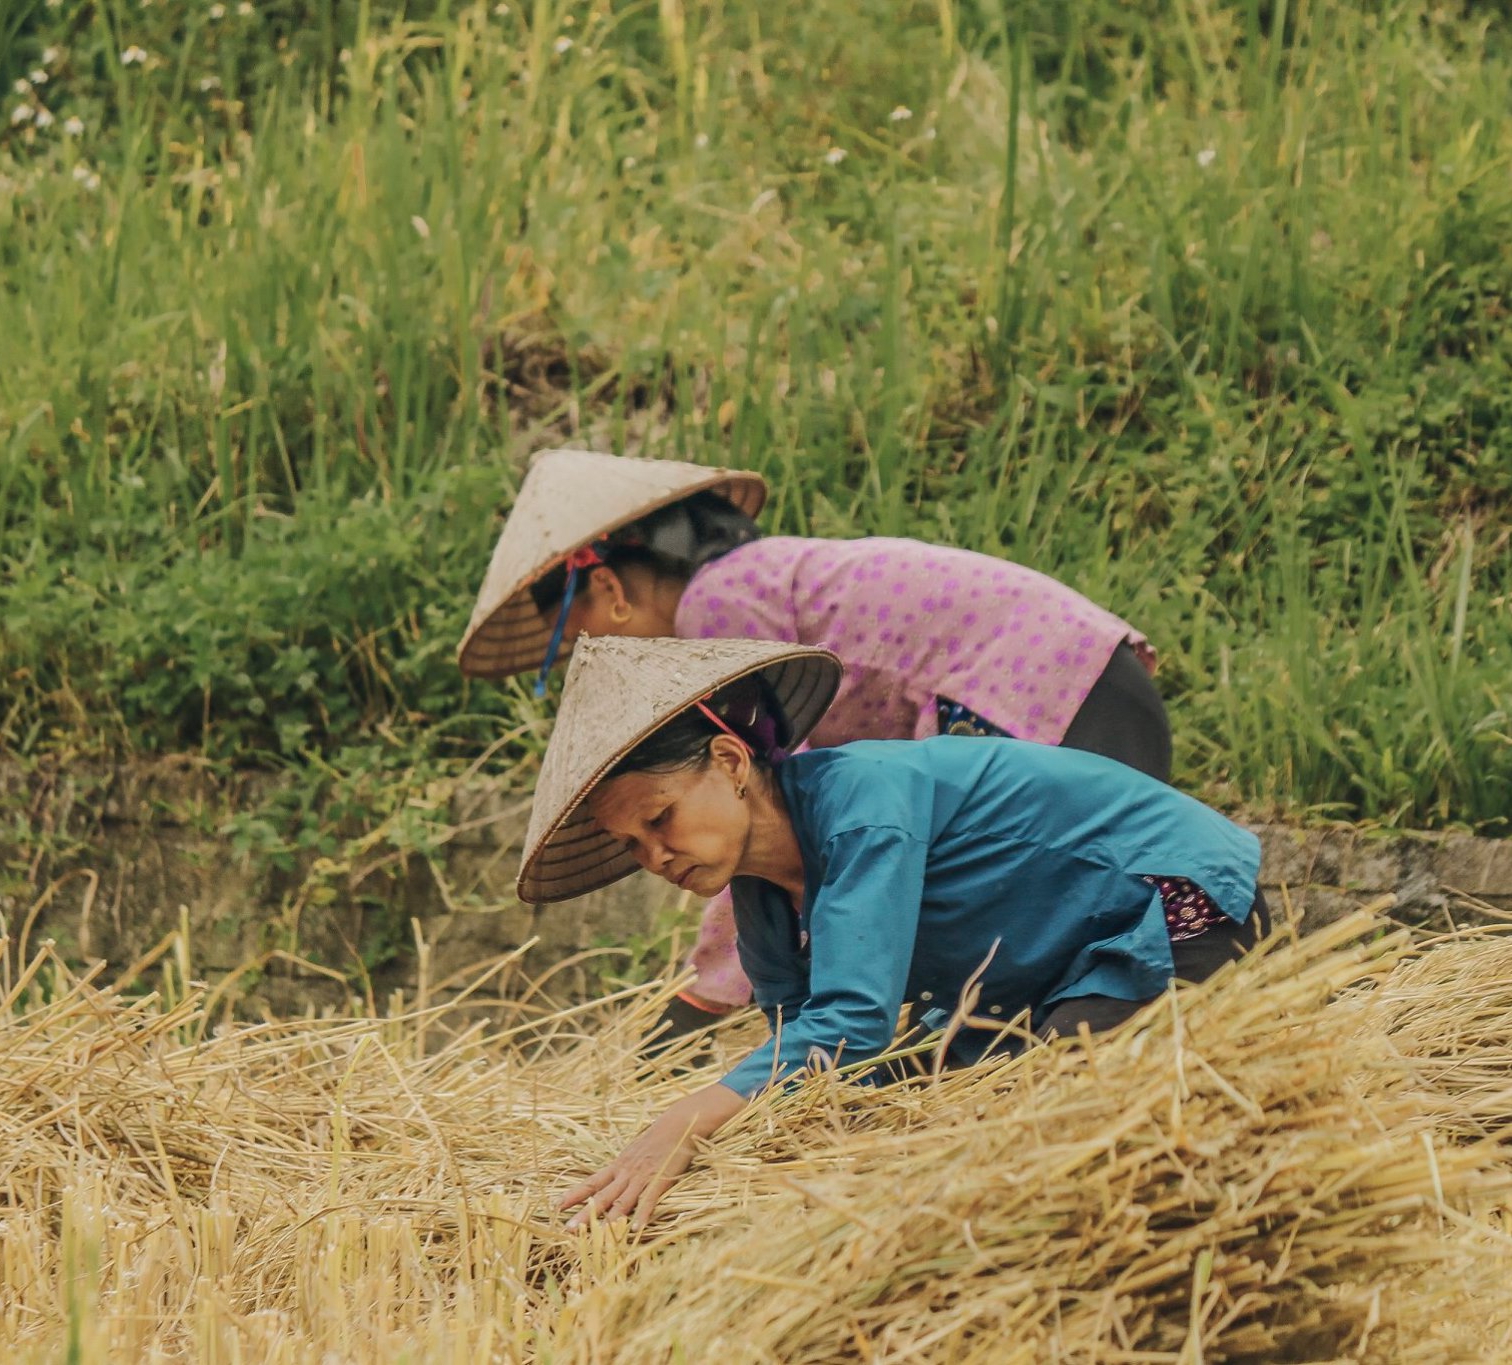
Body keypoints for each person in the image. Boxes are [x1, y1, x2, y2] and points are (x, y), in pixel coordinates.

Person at [516, 636, 1266, 1229]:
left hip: (1165, 908)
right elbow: (805, 1050)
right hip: (1038, 979)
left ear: (729, 759)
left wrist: (690, 1116)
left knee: (1041, 1129)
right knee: (928, 1096)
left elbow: (854, 1020)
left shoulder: (862, 801)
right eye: (635, 848)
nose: (657, 857)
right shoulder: (762, 897)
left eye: (658, 819)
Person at [460, 449, 1173, 1034]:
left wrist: (707, 991)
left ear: (611, 589)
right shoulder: (752, 577)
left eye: (583, 645)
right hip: (1082, 675)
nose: (601, 669)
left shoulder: (714, 606)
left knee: (1075, 913)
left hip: (1034, 690)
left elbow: (755, 812)